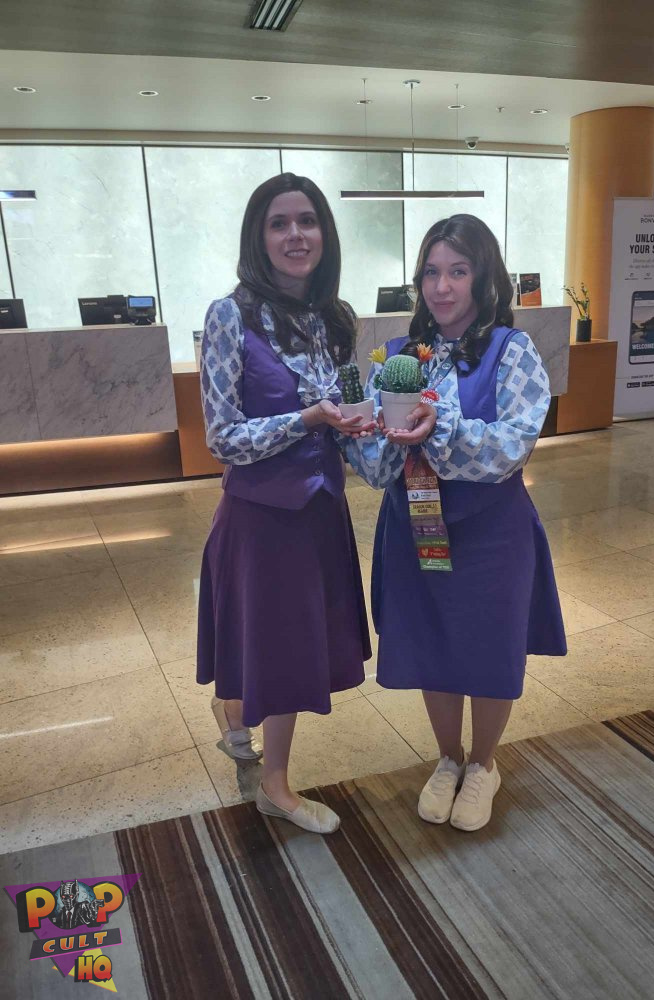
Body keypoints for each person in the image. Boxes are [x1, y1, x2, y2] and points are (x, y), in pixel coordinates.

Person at [344, 214, 567, 832]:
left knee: (489, 645)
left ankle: (484, 764)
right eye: (431, 272)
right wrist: (362, 433)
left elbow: (514, 444)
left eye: (458, 271)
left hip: (490, 529)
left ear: (483, 277)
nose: (441, 287)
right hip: (414, 528)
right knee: (432, 642)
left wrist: (438, 426)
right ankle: (447, 759)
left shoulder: (511, 350)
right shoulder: (396, 356)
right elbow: (374, 463)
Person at [197, 172, 373, 835]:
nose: (296, 235)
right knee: (279, 649)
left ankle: (234, 720)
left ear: (324, 233)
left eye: (307, 221)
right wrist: (307, 420)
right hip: (262, 518)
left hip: (322, 510)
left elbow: (346, 407)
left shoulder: (335, 319)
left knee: (280, 640)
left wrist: (374, 426)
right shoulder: (230, 316)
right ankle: (275, 787)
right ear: (259, 236)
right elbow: (223, 437)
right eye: (279, 223)